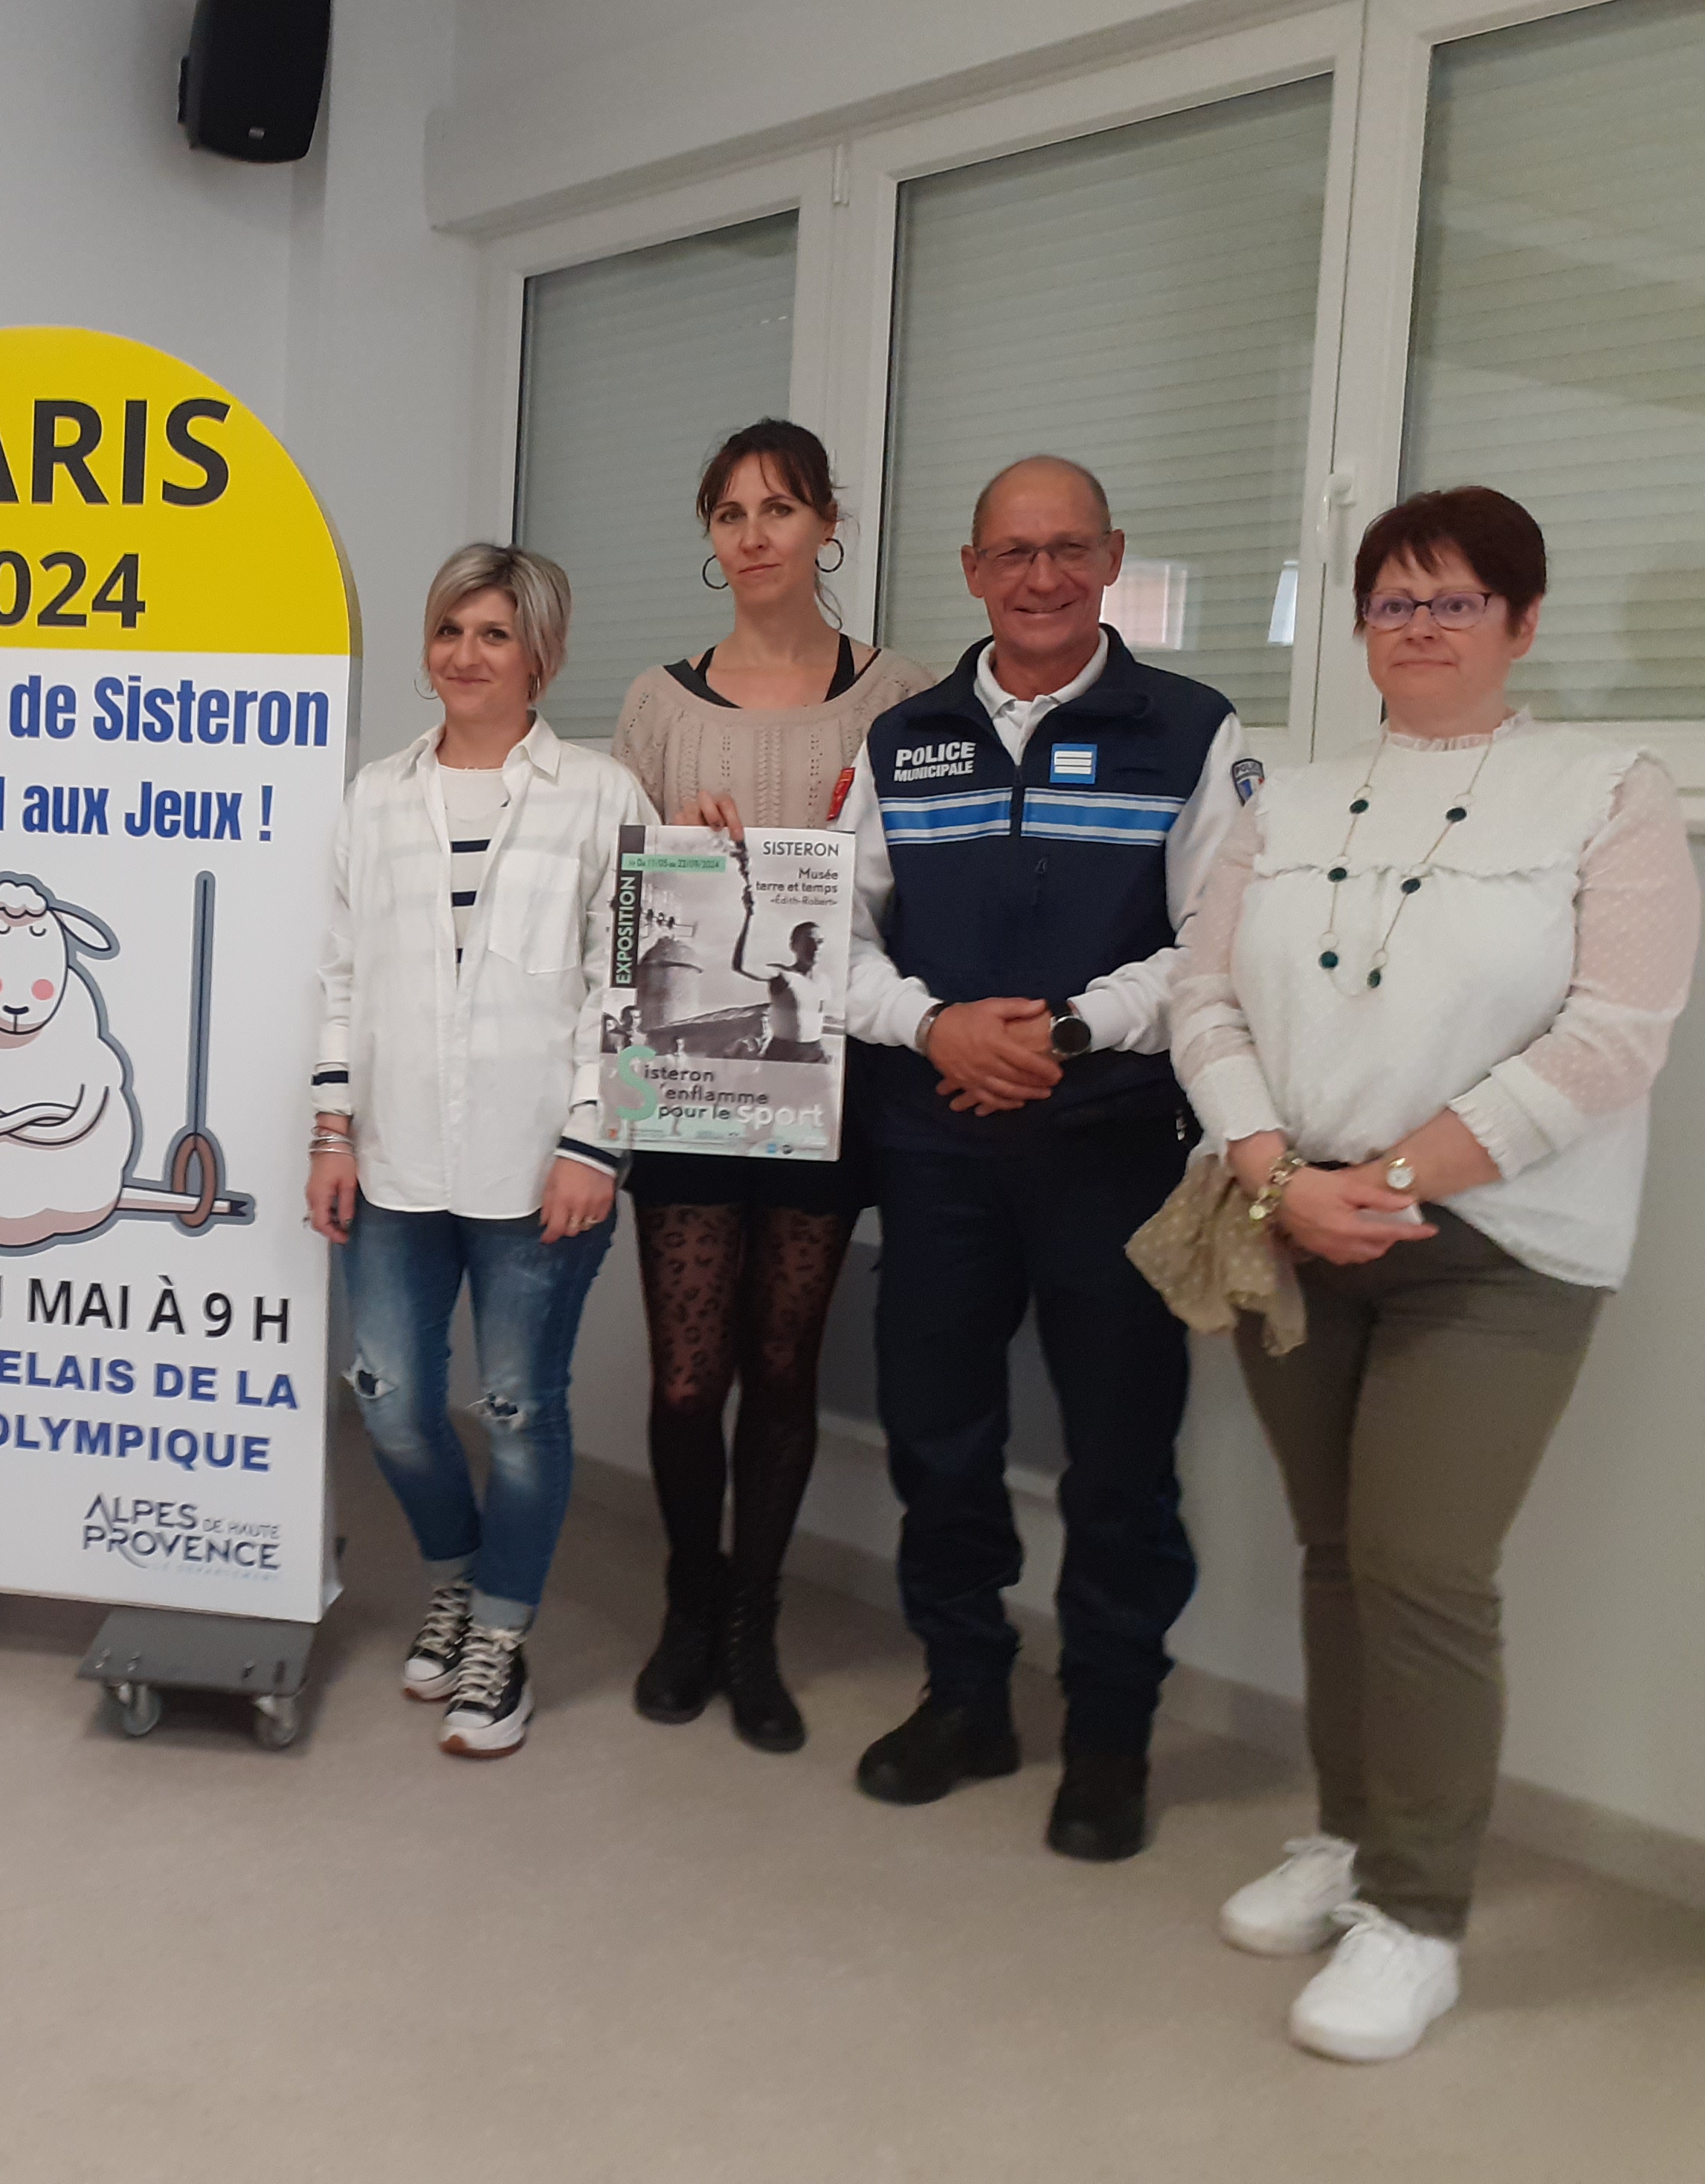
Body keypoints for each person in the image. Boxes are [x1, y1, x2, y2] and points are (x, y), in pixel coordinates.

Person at [1173, 488, 1695, 2062]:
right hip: (1291, 1220)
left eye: (1455, 601)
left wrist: (1384, 1185)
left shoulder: (1608, 789)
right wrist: (1281, 1177)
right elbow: (1207, 1001)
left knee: (1424, 1566)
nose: (1420, 627)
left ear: (1522, 623)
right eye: (1395, 602)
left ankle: (1419, 1915)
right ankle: (1346, 1835)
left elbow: (1614, 1039)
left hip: (1497, 1248)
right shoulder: (1289, 803)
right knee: (1337, 1552)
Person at [837, 454, 1248, 1859]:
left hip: (1111, 1146)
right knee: (939, 1438)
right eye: (1014, 553)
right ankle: (965, 1697)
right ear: (973, 570)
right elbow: (832, 938)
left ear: (1112, 557)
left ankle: (1110, 1734)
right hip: (936, 1146)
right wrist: (939, 1029)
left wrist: (1066, 1034)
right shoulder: (905, 739)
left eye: (1070, 549)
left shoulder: (1189, 729)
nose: (1043, 577)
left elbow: (1216, 947)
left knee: (1121, 1458)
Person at [610, 419, 932, 1747]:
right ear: (710, 536)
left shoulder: (900, 695)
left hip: (829, 1076)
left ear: (827, 526)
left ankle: (755, 1624)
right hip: (690, 1076)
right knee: (690, 1378)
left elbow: (925, 883)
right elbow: (615, 905)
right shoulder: (655, 701)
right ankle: (688, 1602)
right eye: (730, 513)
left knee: (783, 1367)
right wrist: (671, 855)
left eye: (779, 510)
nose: (753, 535)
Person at [309, 545, 646, 1759]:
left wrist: (593, 1146)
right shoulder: (376, 796)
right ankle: (457, 1577)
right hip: (394, 1158)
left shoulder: (603, 796)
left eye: (495, 634)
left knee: (516, 1406)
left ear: (541, 655)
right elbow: (340, 978)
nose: (465, 655)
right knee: (391, 1400)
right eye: (451, 629)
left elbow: (635, 988)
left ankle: (500, 1636)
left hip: (539, 1166)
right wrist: (331, 1130)